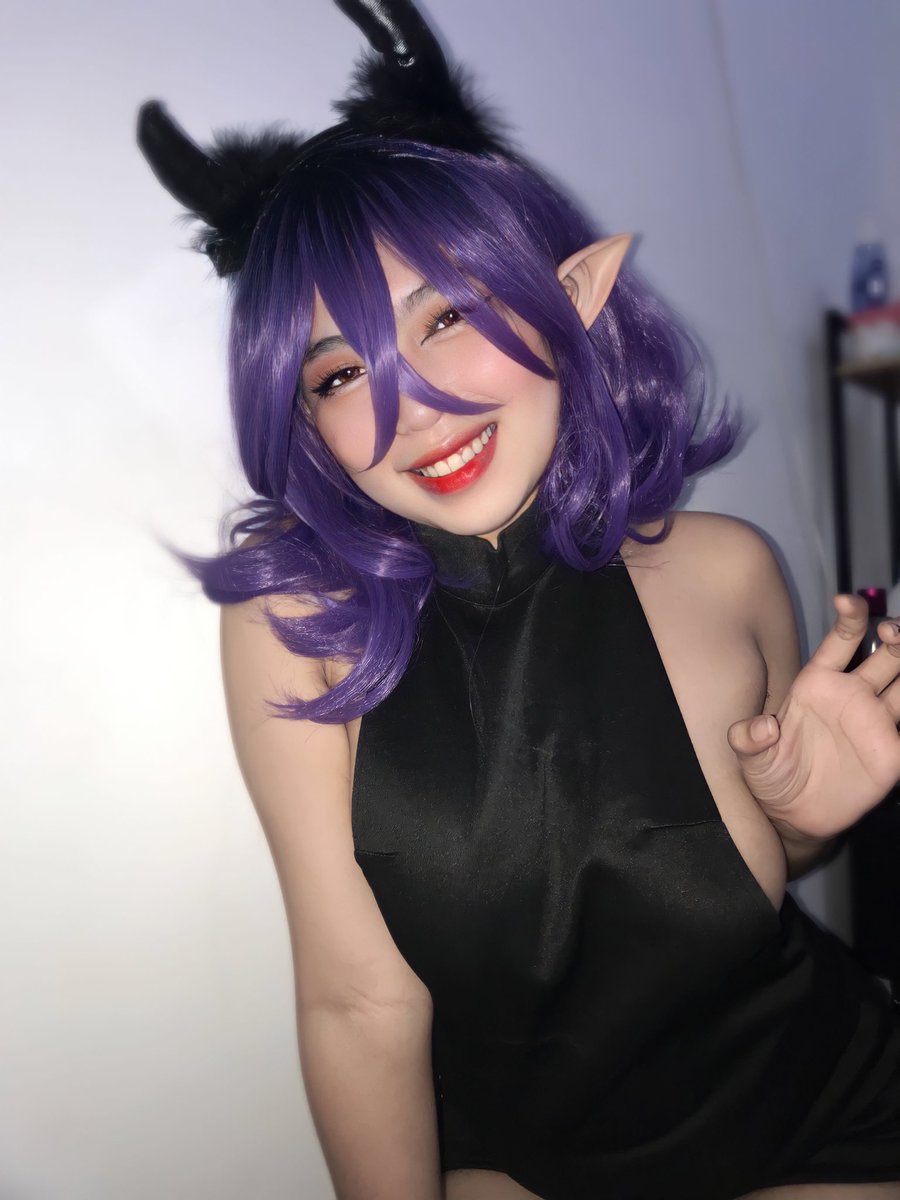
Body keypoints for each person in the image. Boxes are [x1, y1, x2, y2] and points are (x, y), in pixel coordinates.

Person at [138, 3, 900, 1197]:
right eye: (342, 373)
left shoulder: (731, 569)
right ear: (306, 424)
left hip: (834, 1114)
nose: (413, 407)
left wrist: (809, 823)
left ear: (573, 293)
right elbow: (357, 1002)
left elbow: (765, 879)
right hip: (533, 1165)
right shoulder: (296, 630)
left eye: (446, 315)